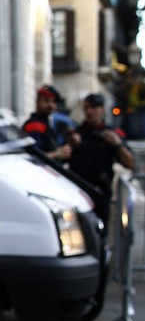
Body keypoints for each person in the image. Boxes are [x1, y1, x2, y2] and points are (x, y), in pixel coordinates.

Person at [68, 92, 134, 221]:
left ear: (102, 109)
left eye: (93, 107)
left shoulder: (112, 133)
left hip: (101, 193)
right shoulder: (76, 133)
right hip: (78, 192)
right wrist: (71, 145)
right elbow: (59, 158)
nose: (89, 111)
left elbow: (130, 163)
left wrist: (118, 145)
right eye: (86, 108)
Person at [22, 84, 72, 161]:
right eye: (46, 100)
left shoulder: (45, 123)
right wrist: (57, 154)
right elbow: (34, 158)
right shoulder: (35, 125)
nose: (51, 105)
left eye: (54, 101)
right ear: (37, 102)